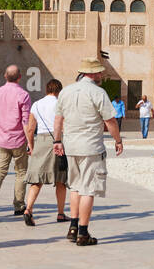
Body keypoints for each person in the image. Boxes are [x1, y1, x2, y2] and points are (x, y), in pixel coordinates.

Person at [53, 57, 123, 246]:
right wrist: (118, 140)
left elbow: (58, 119)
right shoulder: (98, 92)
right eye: (99, 72)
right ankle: (83, 232)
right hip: (90, 147)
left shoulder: (65, 92)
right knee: (88, 189)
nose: (101, 75)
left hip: (71, 146)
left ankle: (73, 227)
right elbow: (111, 121)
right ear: (92, 73)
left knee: (75, 187)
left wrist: (57, 140)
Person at [0, 64, 32, 217]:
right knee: (21, 172)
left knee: (0, 170)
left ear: (5, 76)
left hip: (1, 139)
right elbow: (26, 122)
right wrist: (30, 142)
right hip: (18, 139)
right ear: (20, 77)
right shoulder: (23, 95)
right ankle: (19, 204)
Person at [22, 79, 67, 226]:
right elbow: (64, 124)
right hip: (57, 140)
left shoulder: (36, 104)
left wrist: (31, 145)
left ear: (47, 89)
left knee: (37, 179)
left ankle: (28, 209)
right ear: (59, 91)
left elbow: (30, 128)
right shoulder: (60, 104)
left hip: (41, 140)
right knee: (61, 179)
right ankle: (60, 213)